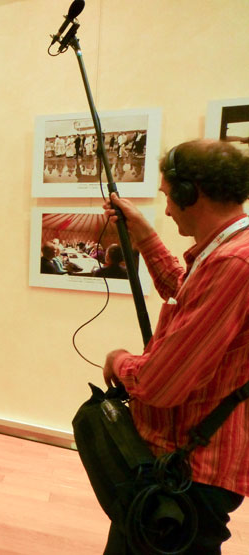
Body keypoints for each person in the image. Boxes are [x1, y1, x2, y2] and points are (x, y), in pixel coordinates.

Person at [101, 139, 249, 553]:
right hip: (183, 463)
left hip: (190, 469)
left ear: (191, 192)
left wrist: (121, 361)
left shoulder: (234, 263)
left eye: (168, 196)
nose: (166, 209)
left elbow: (162, 383)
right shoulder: (228, 251)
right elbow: (184, 291)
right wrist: (144, 233)